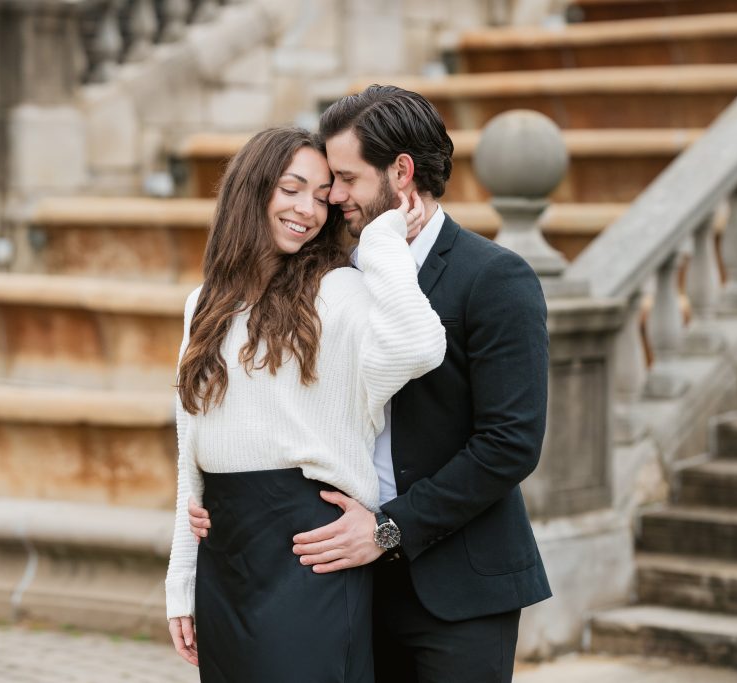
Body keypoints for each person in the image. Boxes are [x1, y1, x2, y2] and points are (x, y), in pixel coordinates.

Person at [190, 86, 552, 682]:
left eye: (345, 178)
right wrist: (219, 499)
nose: (332, 197)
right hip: (343, 577)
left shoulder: (495, 278)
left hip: (456, 587)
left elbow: (510, 443)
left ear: (401, 172)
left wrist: (388, 529)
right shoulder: (336, 276)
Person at [165, 126, 447, 682]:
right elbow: (189, 446)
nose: (308, 210)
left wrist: (385, 239)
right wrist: (182, 576)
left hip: (307, 545)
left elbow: (420, 345)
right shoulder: (204, 303)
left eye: (322, 196)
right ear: (252, 189)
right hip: (225, 547)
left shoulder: (338, 291)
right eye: (291, 189)